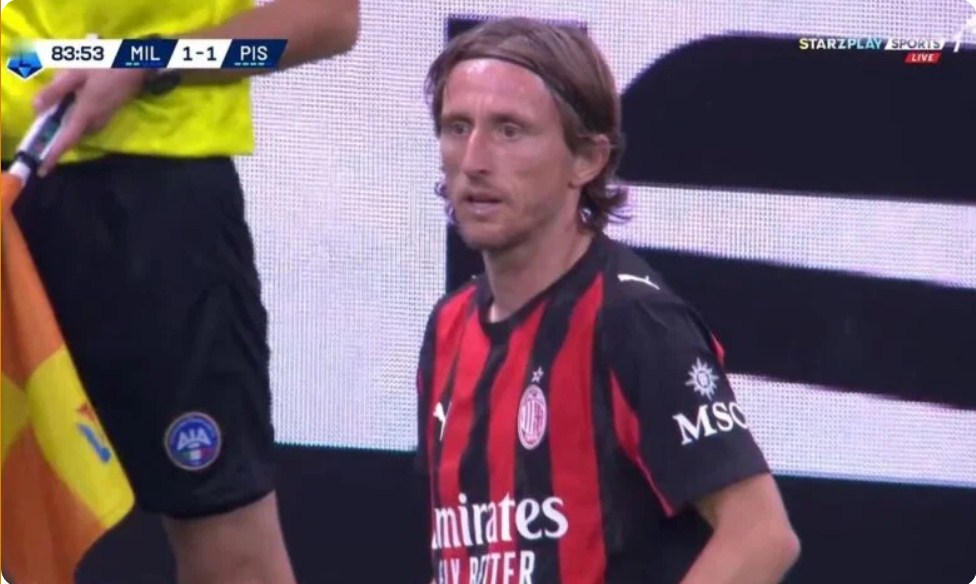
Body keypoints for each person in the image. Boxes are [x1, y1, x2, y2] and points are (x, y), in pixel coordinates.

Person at [415, 17, 800, 584]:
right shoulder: (448, 326)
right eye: (457, 127)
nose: (473, 160)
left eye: (509, 131)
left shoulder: (632, 320)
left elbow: (761, 536)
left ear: (587, 160)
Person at [0, 1, 359, 583]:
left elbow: (329, 19)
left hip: (152, 206)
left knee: (229, 542)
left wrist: (150, 61)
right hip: (17, 197)